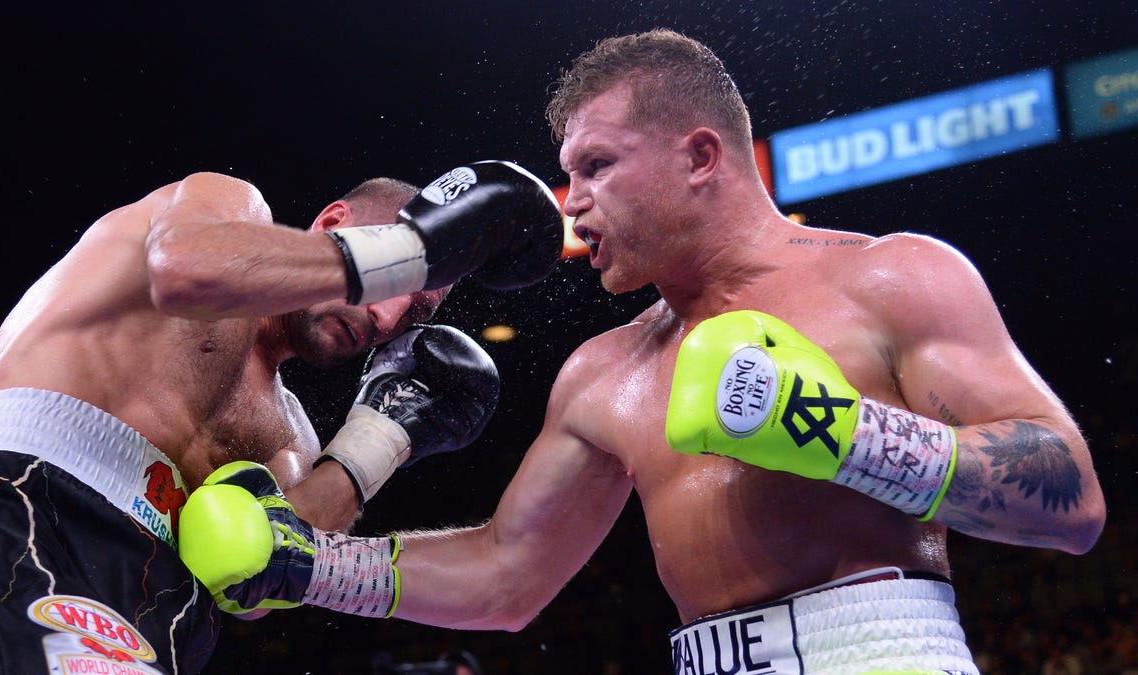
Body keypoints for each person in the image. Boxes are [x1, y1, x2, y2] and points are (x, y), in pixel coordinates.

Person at [181, 30, 1106, 674]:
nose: (569, 201)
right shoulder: (604, 371)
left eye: (596, 166)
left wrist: (838, 430)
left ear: (701, 155)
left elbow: (1072, 498)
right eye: (566, 172)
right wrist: (308, 564)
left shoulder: (892, 278)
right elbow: (506, 575)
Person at [0, 160, 564, 673]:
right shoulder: (226, 204)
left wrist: (379, 438)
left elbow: (257, 582)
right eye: (398, 274)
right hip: (31, 509)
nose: (387, 317)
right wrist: (418, 246)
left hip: (165, 617)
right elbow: (183, 267)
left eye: (416, 310)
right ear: (335, 223)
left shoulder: (290, 433)